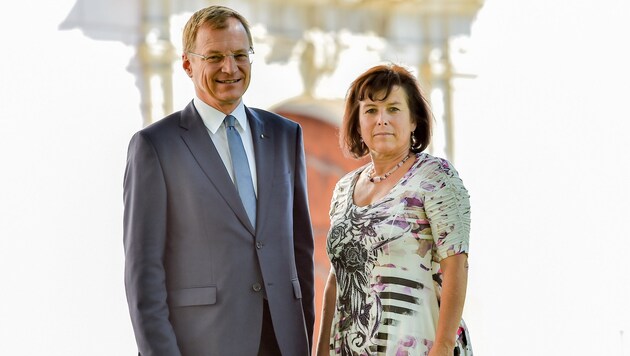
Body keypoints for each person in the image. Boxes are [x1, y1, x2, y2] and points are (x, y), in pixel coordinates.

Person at [123, 5, 315, 355]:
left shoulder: (286, 135)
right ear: (187, 64)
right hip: (204, 343)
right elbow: (144, 276)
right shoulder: (156, 146)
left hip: (283, 342)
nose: (230, 67)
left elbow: (300, 251)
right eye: (214, 57)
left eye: (240, 55)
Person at [316, 64, 473, 356]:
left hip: (416, 345)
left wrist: (443, 347)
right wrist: (320, 350)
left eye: (393, 109)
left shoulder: (435, 177)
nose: (382, 120)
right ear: (358, 122)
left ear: (414, 120)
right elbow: (336, 278)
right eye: (371, 110)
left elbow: (456, 265)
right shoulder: (343, 189)